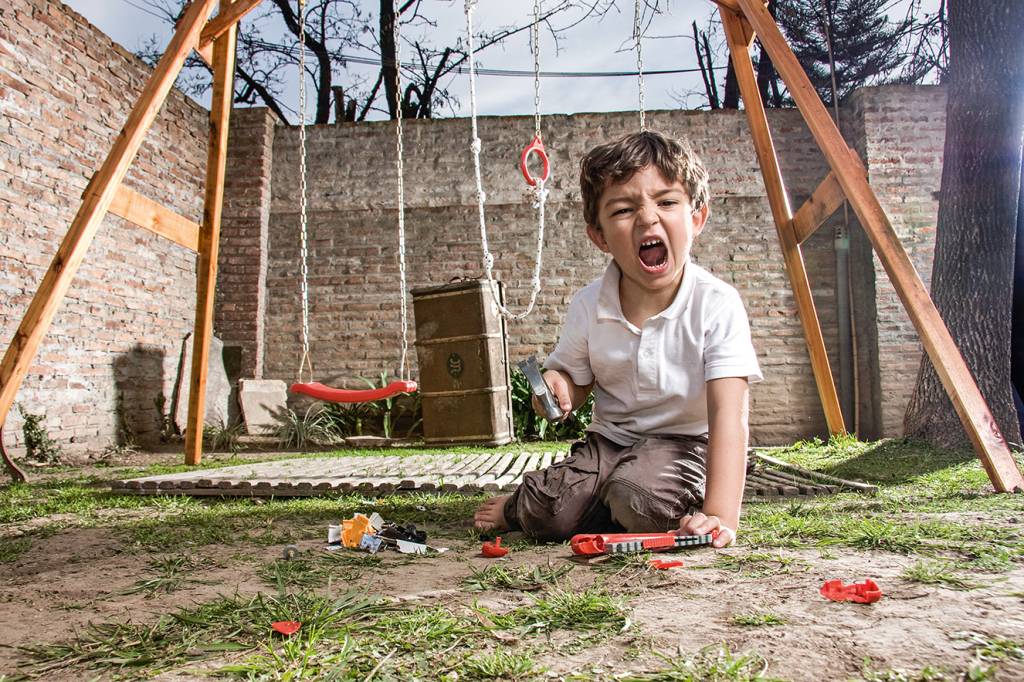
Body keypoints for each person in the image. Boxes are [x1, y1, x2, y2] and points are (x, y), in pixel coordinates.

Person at [474, 130, 762, 548]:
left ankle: (619, 498)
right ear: (600, 237)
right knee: (543, 510)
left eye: (666, 202)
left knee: (636, 498)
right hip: (608, 443)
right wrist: (558, 388)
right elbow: (572, 376)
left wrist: (719, 514)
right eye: (625, 209)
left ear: (696, 218)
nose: (648, 218)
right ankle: (542, 502)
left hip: (684, 446)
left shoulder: (717, 304)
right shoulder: (590, 304)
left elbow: (728, 415)